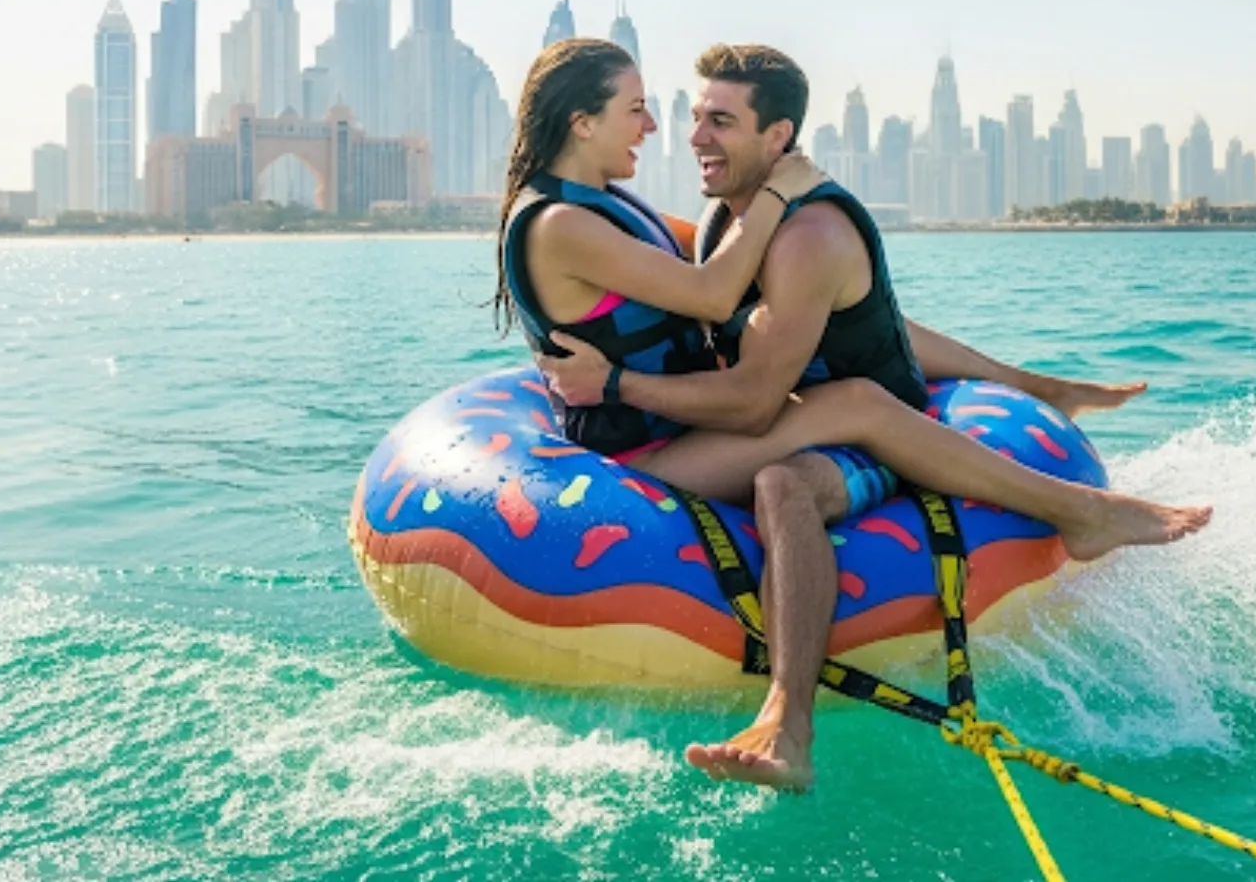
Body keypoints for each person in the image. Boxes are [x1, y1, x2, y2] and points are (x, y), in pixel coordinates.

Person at [499, 39, 1212, 791]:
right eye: (647, 111)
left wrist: (1028, 383)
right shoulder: (598, 221)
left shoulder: (721, 222)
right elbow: (718, 303)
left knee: (836, 428)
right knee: (837, 422)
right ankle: (1079, 514)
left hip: (738, 430)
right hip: (645, 457)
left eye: (717, 121)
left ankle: (1075, 516)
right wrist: (617, 383)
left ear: (777, 137)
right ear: (582, 122)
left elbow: (867, 327)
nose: (673, 131)